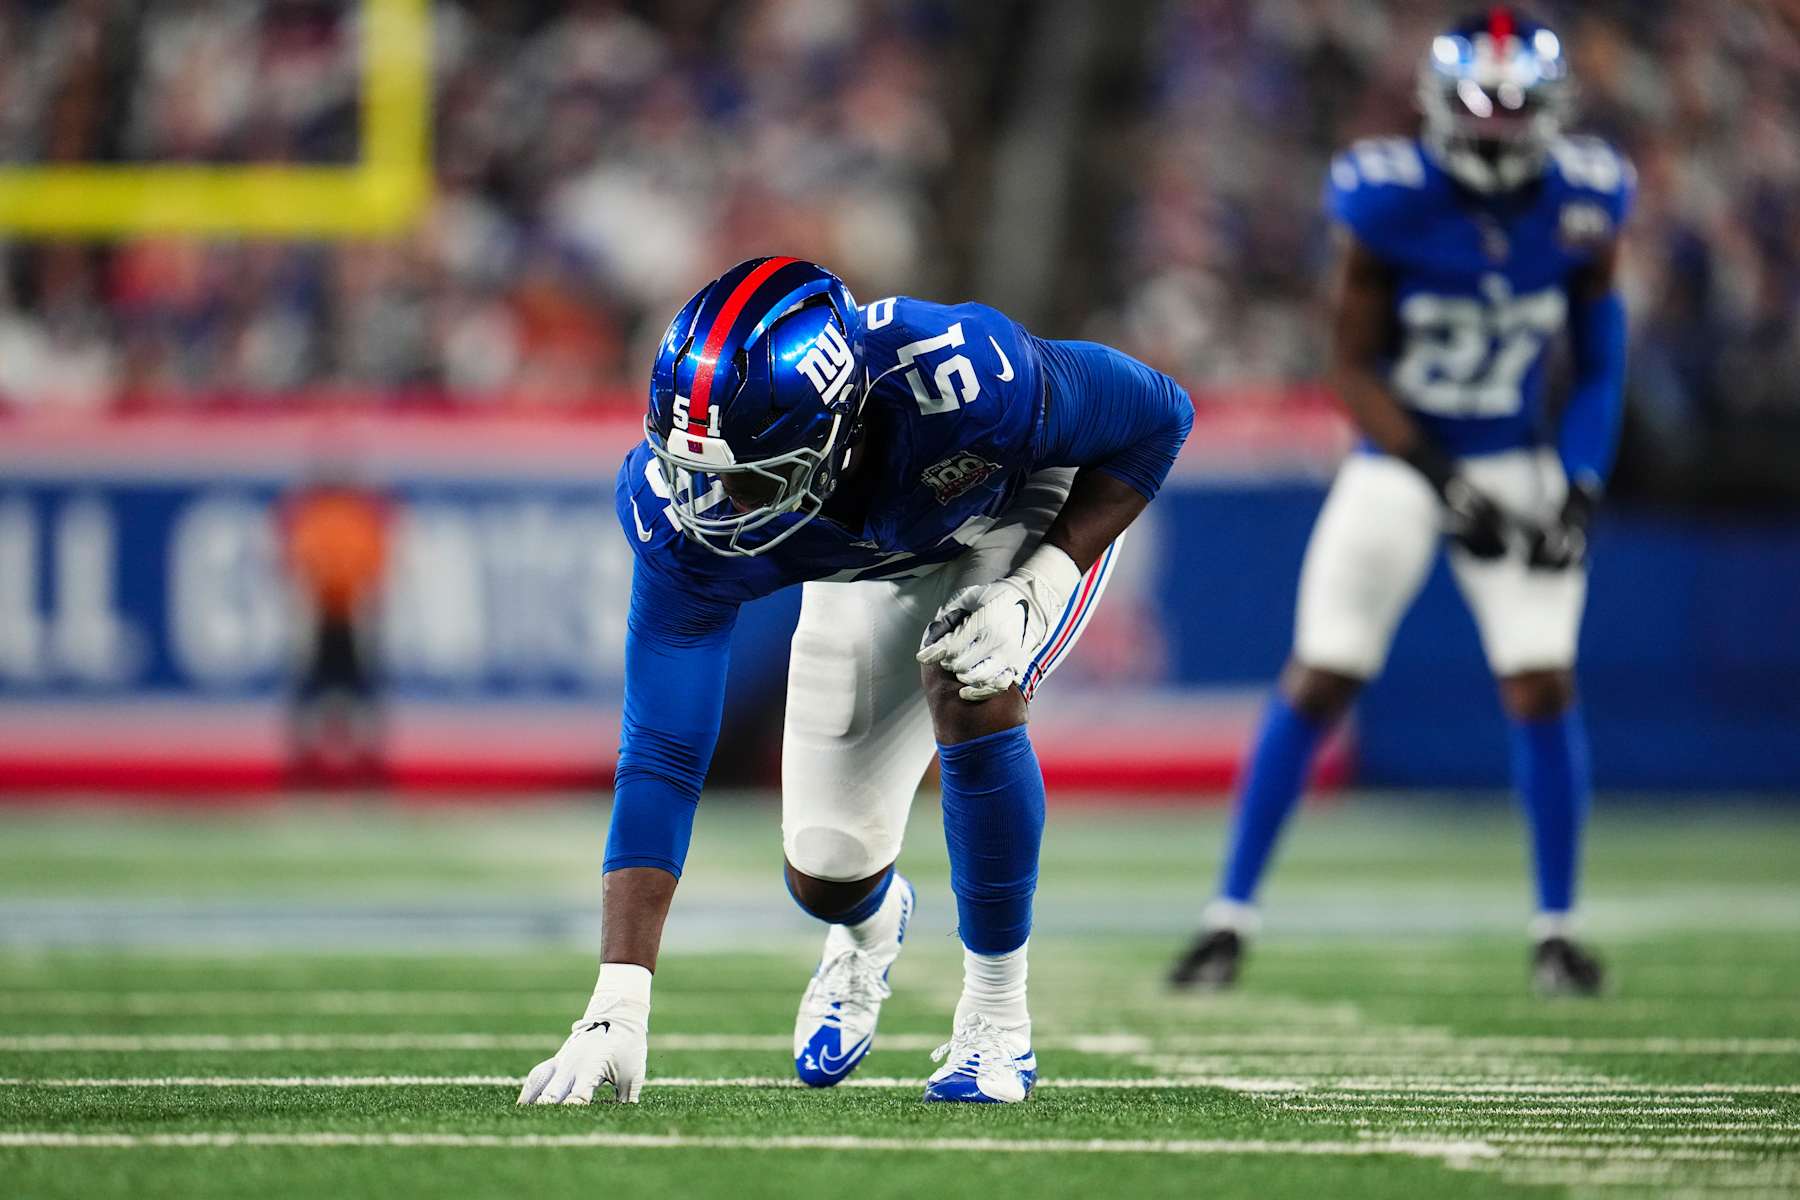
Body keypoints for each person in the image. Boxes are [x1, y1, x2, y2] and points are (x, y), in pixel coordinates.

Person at [518, 256, 1192, 1105]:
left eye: (746, 480)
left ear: (836, 432)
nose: (710, 505)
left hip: (1017, 511)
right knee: (825, 868)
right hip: (876, 559)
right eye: (696, 473)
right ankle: (869, 930)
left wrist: (1042, 583)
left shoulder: (965, 378)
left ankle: (996, 1025)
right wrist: (617, 1004)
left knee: (973, 681)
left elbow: (1160, 414)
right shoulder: (679, 516)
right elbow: (661, 751)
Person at [1169, 7, 1630, 996]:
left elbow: (1597, 366)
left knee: (1542, 680)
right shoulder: (1391, 200)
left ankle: (1558, 929)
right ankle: (1228, 918)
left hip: (1516, 459)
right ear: (1439, 103)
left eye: (1517, 104)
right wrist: (1439, 476)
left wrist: (1582, 484)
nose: (1499, 123)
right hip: (1399, 459)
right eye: (1480, 101)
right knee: (1324, 673)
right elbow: (1349, 365)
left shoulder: (1586, 203)